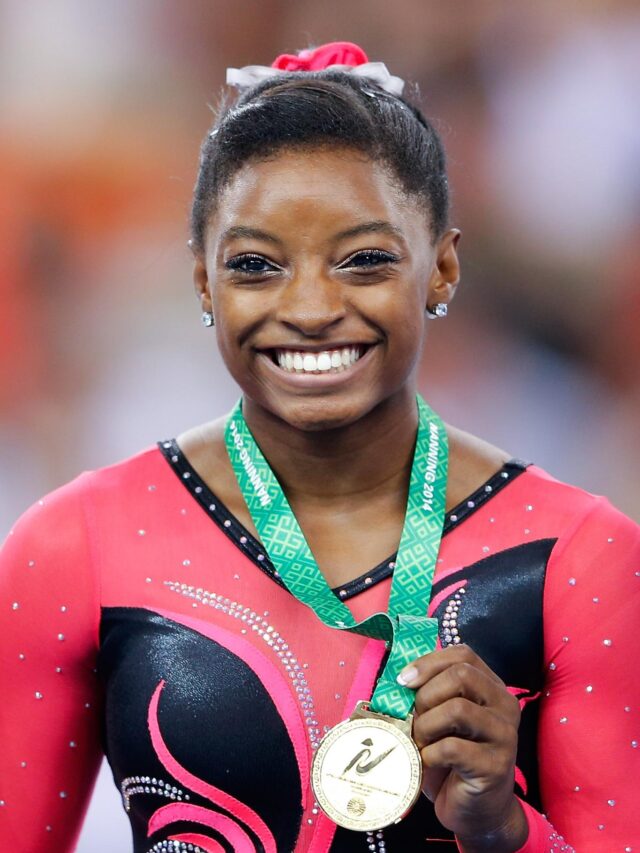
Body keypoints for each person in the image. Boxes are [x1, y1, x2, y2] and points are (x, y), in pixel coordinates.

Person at [0, 41, 638, 853]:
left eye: (364, 259)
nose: (309, 307)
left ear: (441, 267)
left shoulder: (580, 557)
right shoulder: (72, 545)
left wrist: (504, 829)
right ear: (204, 281)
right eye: (256, 264)